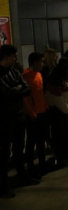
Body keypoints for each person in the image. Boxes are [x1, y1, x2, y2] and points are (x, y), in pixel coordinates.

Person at [0, 45, 33, 198]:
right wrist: (17, 89)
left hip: (18, 115)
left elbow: (27, 89)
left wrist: (16, 89)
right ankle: (3, 185)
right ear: (6, 57)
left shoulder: (14, 71)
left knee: (19, 149)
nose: (16, 59)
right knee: (4, 153)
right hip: (4, 119)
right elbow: (7, 92)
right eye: (14, 56)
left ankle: (22, 176)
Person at [22, 52, 49, 179]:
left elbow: (40, 94)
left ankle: (42, 165)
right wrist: (31, 112)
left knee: (41, 140)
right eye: (41, 62)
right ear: (35, 62)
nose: (43, 64)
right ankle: (31, 167)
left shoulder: (39, 74)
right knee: (32, 141)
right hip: (33, 114)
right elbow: (25, 98)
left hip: (42, 111)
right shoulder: (26, 76)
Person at [45, 57, 68, 168]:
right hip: (57, 111)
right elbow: (57, 98)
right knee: (59, 135)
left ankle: (65, 156)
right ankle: (61, 157)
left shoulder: (63, 77)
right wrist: (67, 110)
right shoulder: (55, 78)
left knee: (65, 134)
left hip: (62, 109)